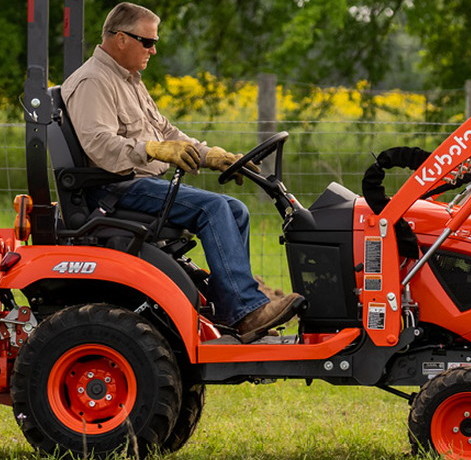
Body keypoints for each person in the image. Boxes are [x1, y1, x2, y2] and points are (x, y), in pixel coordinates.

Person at [61, 2, 302, 343]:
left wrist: (210, 154)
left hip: (137, 183)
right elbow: (98, 144)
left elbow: (165, 130)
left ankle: (237, 305)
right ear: (119, 39)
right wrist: (151, 150)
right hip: (114, 189)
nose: (153, 50)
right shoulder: (92, 82)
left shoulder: (128, 80)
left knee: (236, 209)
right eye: (147, 42)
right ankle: (247, 310)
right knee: (214, 208)